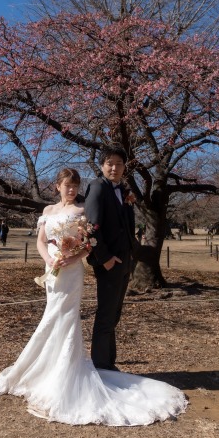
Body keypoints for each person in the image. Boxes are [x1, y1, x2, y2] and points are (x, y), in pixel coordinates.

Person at [0, 168, 187, 426]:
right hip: (52, 270)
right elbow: (41, 241)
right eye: (67, 185)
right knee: (51, 315)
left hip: (72, 272)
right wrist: (50, 259)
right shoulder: (48, 212)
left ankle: (65, 373)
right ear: (57, 186)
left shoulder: (83, 211)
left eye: (75, 185)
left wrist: (71, 258)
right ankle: (44, 369)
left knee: (64, 317)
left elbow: (89, 244)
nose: (71, 190)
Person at [84, 146, 138, 371]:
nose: (114, 168)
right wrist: (104, 258)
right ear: (102, 165)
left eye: (119, 164)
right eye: (109, 163)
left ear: (124, 167)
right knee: (106, 314)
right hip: (109, 263)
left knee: (114, 314)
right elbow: (92, 227)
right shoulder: (97, 187)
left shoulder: (123, 190)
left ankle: (109, 364)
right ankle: (101, 367)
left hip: (125, 262)